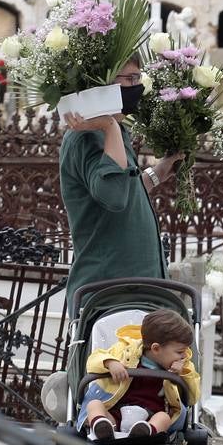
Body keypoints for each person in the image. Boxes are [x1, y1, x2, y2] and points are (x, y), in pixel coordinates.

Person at [59, 59, 182, 312]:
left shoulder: (114, 134)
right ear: (101, 84)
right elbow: (114, 196)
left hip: (138, 290)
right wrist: (108, 124)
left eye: (137, 79)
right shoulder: (88, 137)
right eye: (128, 79)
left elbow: (125, 188)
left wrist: (158, 173)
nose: (135, 87)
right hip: (110, 294)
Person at [78, 308, 200, 440]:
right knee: (94, 404)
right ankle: (101, 426)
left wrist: (183, 375)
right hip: (116, 413)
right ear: (156, 348)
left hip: (151, 416)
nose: (184, 356)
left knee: (163, 418)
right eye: (180, 351)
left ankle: (144, 434)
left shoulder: (184, 366)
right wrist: (110, 362)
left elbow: (192, 398)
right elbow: (94, 359)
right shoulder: (125, 351)